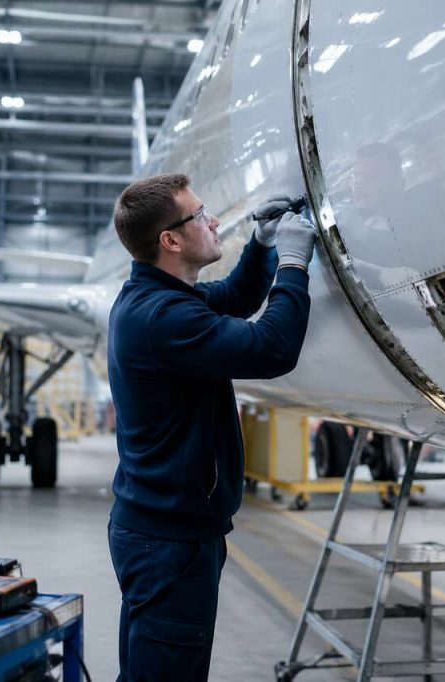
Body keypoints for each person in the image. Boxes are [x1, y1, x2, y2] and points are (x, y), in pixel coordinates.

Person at [106, 173, 315, 681]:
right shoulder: (165, 317)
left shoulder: (158, 296)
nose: (215, 219)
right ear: (170, 240)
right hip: (169, 544)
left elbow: (236, 298)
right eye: (200, 215)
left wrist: (263, 244)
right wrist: (293, 263)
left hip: (159, 533)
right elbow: (272, 348)